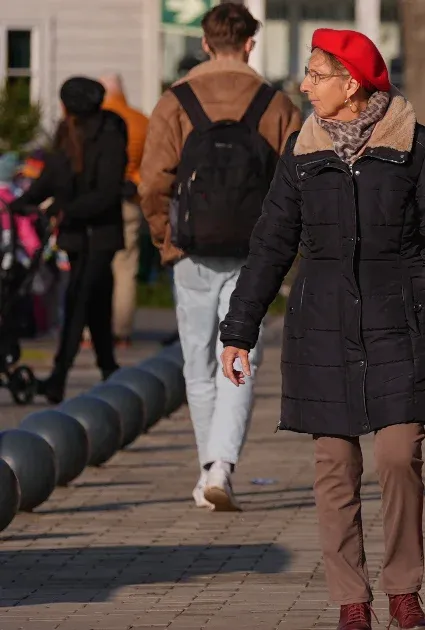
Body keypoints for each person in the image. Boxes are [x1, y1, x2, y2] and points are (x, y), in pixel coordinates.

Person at [217, 28, 425, 630]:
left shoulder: (421, 148)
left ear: (352, 83)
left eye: (316, 74)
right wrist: (239, 329)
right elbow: (270, 246)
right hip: (322, 328)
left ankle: (403, 591)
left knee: (399, 455)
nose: (305, 84)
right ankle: (352, 600)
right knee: (335, 467)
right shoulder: (302, 151)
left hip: (404, 323)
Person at [140, 3, 302, 511]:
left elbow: (152, 181)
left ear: (205, 43)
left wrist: (166, 239)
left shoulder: (176, 101)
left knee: (197, 360)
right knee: (242, 357)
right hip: (256, 250)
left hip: (191, 247)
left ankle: (208, 466)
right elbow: (301, 177)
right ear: (250, 43)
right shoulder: (274, 103)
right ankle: (222, 465)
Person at [9, 77, 127, 403]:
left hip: (96, 235)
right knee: (95, 301)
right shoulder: (84, 133)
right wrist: (28, 200)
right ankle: (109, 369)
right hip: (83, 234)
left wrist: (61, 208)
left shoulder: (105, 135)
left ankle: (61, 376)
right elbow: (55, 174)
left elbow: (103, 192)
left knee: (79, 301)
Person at [99, 73, 149, 349]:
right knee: (126, 266)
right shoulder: (140, 120)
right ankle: (122, 331)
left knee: (95, 266)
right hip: (130, 198)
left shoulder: (93, 120)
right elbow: (152, 161)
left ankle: (89, 332)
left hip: (99, 200)